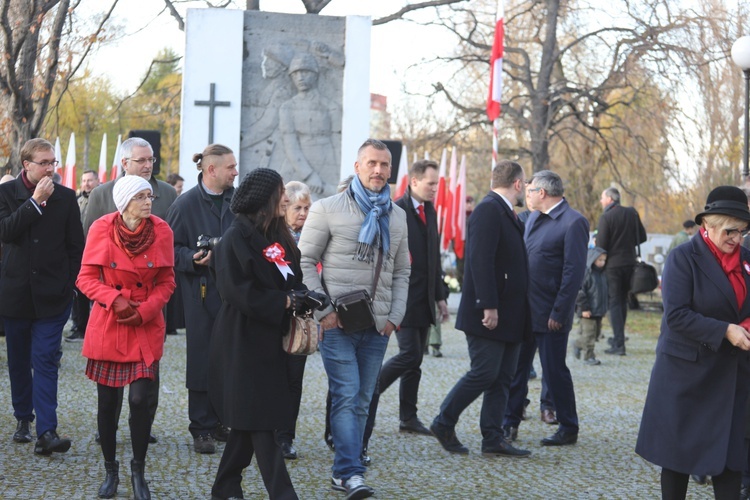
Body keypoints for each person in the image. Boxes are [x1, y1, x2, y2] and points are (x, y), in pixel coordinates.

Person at [299, 139, 410, 499]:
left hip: (378, 326)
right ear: (358, 166)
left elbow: (403, 271)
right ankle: (350, 473)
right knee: (346, 396)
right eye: (372, 163)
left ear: (391, 170)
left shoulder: (397, 215)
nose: (378, 170)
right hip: (339, 324)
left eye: (385, 164)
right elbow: (303, 262)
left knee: (363, 400)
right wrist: (324, 311)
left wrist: (395, 316)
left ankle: (344, 470)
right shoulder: (327, 208)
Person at [208, 168, 327, 500]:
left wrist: (308, 295)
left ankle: (225, 487)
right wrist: (285, 300)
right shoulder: (234, 238)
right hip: (241, 341)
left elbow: (293, 278)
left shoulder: (280, 236)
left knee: (250, 419)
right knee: (261, 422)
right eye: (281, 193)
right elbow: (236, 292)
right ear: (264, 198)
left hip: (274, 339)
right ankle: (283, 494)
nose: (286, 199)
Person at [636, 186, 750, 499]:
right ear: (707, 226)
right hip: (687, 376)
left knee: (730, 461)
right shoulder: (683, 258)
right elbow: (677, 316)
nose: (737, 239)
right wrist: (726, 330)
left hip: (733, 377)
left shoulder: (748, 259)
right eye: (730, 231)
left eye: (743, 231)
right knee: (678, 461)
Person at [77, 175, 175, 499]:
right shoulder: (102, 228)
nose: (149, 201)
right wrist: (116, 301)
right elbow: (85, 278)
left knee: (139, 400)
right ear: (124, 203)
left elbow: (167, 282)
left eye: (150, 196)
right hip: (110, 322)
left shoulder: (162, 230)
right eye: (141, 197)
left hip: (145, 324)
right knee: (108, 404)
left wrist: (146, 310)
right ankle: (110, 470)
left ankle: (139, 469)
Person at [430, 160, 531, 458]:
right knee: (485, 373)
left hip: (510, 313)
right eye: (523, 183)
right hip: (490, 312)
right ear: (517, 184)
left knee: (503, 377)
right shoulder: (489, 210)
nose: (524, 187)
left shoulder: (504, 211)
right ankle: (444, 422)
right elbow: (480, 260)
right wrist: (488, 305)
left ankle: (493, 437)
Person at [83, 137, 177, 444]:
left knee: (143, 390)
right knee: (108, 396)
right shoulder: (100, 197)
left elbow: (166, 273)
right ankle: (107, 431)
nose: (148, 165)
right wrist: (113, 299)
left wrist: (148, 308)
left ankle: (143, 427)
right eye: (141, 160)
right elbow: (89, 263)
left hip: (147, 310)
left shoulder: (166, 196)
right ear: (125, 163)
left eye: (151, 160)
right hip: (112, 310)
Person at [0, 138, 84, 455]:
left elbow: (76, 247)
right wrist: (35, 202)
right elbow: (6, 232)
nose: (51, 168)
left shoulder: (65, 197)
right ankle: (24, 418)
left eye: (54, 162)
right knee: (19, 362)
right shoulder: (6, 194)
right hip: (15, 295)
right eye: (44, 163)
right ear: (27, 165)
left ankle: (47, 430)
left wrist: (70, 283)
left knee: (46, 360)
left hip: (54, 296)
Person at [503, 170, 589, 447]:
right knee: (518, 369)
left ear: (542, 193)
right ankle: (509, 422)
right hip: (525, 310)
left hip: (551, 313)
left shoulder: (573, 222)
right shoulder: (532, 219)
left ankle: (568, 426)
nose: (525, 195)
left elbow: (573, 272)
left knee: (554, 372)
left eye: (529, 191)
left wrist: (560, 312)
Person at [166, 144, 238, 454]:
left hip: (235, 294)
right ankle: (201, 427)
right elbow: (167, 249)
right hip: (200, 292)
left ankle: (224, 420)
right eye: (230, 167)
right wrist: (191, 259)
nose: (236, 172)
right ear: (211, 170)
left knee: (231, 358)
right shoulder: (185, 205)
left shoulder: (239, 202)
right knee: (201, 359)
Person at [275, 180, 313, 461]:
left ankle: (286, 436)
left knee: (293, 379)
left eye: (307, 207)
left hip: (301, 317)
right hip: (275, 313)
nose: (303, 213)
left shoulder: (315, 235)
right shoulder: (273, 236)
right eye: (297, 207)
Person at [279, 53, 341, 196]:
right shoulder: (287, 107)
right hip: (298, 166)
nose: (300, 77)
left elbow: (337, 142)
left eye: (305, 72)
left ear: (315, 75)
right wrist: (309, 175)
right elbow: (290, 144)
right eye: (295, 74)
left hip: (327, 163)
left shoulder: (331, 106)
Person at [596, 186, 647, 355]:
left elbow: (601, 246)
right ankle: (619, 337)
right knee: (622, 301)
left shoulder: (607, 216)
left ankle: (619, 344)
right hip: (630, 263)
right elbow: (643, 237)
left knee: (615, 303)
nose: (601, 202)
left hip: (613, 266)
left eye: (602, 198)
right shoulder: (631, 213)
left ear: (610, 199)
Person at [67, 169, 101, 342]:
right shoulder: (77, 200)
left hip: (99, 251)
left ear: (98, 181)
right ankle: (79, 326)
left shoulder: (102, 199)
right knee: (79, 290)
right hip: (79, 252)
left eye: (90, 180)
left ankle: (97, 327)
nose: (86, 183)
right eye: (84, 180)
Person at [573, 247, 608, 366]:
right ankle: (589, 356)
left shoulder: (602, 274)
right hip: (587, 311)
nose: (602, 262)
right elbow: (580, 292)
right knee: (589, 335)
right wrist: (584, 308)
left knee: (596, 334)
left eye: (604, 260)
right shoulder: (587, 273)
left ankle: (577, 344)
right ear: (592, 260)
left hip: (598, 310)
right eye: (600, 260)